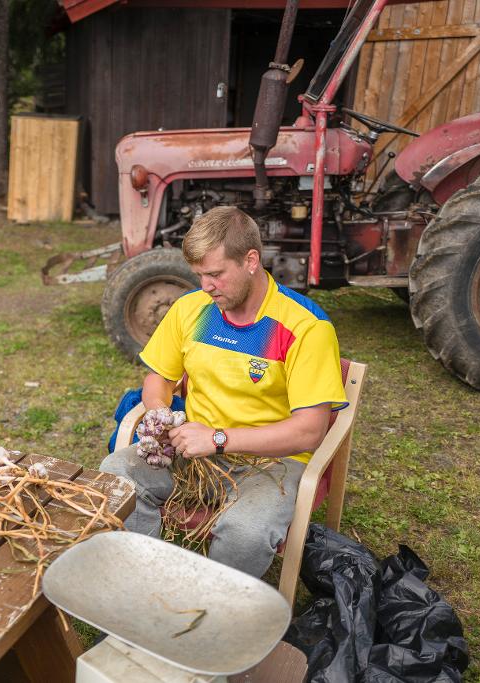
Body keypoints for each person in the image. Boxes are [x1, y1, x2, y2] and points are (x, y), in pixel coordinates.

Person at [100, 207, 347, 578]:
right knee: (116, 473)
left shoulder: (305, 327)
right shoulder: (191, 309)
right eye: (199, 275)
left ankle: (215, 612)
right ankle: (146, 580)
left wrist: (218, 438)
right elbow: (159, 379)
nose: (205, 286)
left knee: (245, 533)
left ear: (251, 261)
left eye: (215, 274)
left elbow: (310, 430)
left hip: (272, 462)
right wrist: (158, 413)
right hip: (194, 446)